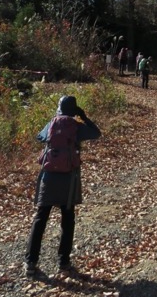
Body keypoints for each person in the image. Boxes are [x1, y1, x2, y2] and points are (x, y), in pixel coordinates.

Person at [25, 95, 101, 276]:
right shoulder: (77, 127)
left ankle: (31, 263)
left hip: (48, 177)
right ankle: (63, 262)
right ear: (74, 110)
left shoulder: (51, 124)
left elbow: (40, 137)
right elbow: (96, 133)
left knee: (41, 218)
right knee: (68, 220)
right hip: (69, 178)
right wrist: (83, 117)